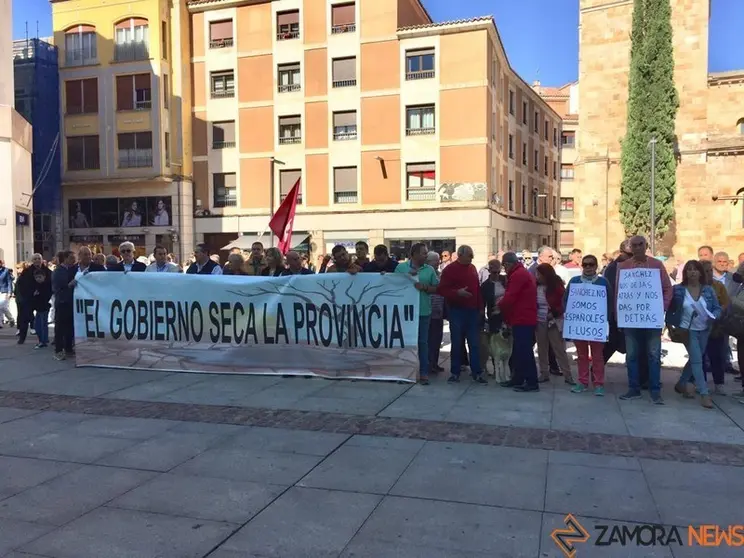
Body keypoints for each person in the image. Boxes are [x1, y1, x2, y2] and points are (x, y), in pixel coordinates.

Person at [616, 236, 673, 403]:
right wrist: (619, 316)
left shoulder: (657, 265)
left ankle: (655, 390)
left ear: (646, 246)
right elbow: (620, 293)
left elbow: (667, 288)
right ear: (630, 248)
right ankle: (633, 388)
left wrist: (661, 308)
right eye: (634, 245)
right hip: (630, 319)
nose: (638, 247)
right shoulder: (623, 267)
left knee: (654, 354)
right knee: (631, 355)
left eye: (641, 244)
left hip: (651, 319)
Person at [667, 260, 722, 409]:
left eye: (695, 269)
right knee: (697, 360)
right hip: (687, 330)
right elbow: (670, 308)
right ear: (685, 273)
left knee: (695, 359)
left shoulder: (708, 290)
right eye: (689, 269)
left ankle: (681, 383)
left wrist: (714, 316)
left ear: (700, 272)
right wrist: (670, 326)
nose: (692, 272)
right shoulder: (678, 289)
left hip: (704, 329)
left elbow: (717, 308)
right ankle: (704, 394)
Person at [438, 245, 487, 384]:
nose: (472, 258)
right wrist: (457, 293)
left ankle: (477, 372)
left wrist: (480, 308)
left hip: (472, 311)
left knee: (474, 343)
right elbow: (442, 290)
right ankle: (455, 372)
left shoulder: (472, 268)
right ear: (460, 255)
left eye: (472, 256)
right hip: (457, 311)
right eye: (469, 256)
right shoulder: (449, 270)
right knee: (457, 342)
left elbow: (477, 289)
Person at [566, 254, 611, 395]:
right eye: (585, 264)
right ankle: (582, 382)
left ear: (596, 266)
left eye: (591, 264)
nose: (588, 267)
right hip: (579, 326)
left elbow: (610, 303)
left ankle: (599, 384)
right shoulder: (574, 281)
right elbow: (566, 300)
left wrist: (606, 321)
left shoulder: (603, 283)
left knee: (597, 356)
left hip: (597, 326)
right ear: (582, 266)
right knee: (581, 355)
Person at [395, 243, 438, 385]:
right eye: (423, 253)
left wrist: (425, 287)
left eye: (426, 253)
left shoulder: (429, 270)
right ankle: (405, 371)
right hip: (404, 312)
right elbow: (391, 284)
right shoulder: (401, 268)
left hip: (423, 311)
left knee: (422, 343)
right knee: (405, 342)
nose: (426, 255)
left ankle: (424, 372)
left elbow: (437, 288)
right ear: (413, 254)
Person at [498, 252, 539, 392]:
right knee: (518, 351)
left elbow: (510, 296)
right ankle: (518, 378)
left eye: (504, 265)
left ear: (508, 264)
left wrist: (499, 307)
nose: (504, 268)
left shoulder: (518, 275)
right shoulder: (520, 273)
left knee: (525, 351)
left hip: (523, 317)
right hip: (521, 316)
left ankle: (532, 382)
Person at [534, 263, 575, 385]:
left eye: (539, 274)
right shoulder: (536, 286)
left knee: (559, 349)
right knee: (542, 348)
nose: (537, 276)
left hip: (553, 321)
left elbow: (564, 303)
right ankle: (544, 373)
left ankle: (568, 375)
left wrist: (554, 313)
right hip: (539, 320)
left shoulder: (557, 286)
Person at [700, 260, 729, 394]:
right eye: (706, 271)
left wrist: (717, 313)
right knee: (700, 356)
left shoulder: (719, 286)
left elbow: (725, 303)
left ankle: (719, 383)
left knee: (717, 356)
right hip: (700, 327)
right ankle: (702, 383)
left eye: (710, 271)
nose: (709, 274)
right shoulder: (695, 287)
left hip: (717, 327)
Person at [480, 258, 507, 374]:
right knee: (495, 342)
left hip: (506, 314)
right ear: (489, 271)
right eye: (493, 272)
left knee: (507, 341)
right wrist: (483, 319)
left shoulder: (505, 280)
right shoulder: (486, 285)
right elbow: (482, 304)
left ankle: (507, 368)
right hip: (493, 316)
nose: (496, 274)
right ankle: (496, 368)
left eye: (498, 272)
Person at [52, 250, 76, 360]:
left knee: (69, 327)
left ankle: (68, 348)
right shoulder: (58, 271)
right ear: (65, 258)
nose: (73, 260)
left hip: (70, 302)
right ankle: (58, 350)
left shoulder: (71, 270)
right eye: (71, 258)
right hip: (62, 302)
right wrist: (69, 285)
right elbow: (58, 288)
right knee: (60, 328)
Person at [425, 251, 445, 374]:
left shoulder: (440, 275)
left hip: (439, 312)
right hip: (428, 311)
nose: (438, 263)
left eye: (438, 260)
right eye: (435, 260)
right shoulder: (425, 274)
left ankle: (435, 363)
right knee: (428, 340)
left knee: (437, 339)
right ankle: (428, 364)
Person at [29, 267, 53, 348]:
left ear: (44, 277)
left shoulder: (46, 285)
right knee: (37, 325)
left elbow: (46, 296)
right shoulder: (36, 285)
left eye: (40, 277)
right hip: (39, 308)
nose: (38, 279)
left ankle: (43, 341)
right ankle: (43, 340)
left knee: (42, 325)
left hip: (44, 307)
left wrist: (37, 294)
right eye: (36, 277)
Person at [0, 259, 15, 328]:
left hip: (4, 290)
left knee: (3, 306)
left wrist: (10, 292)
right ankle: (0, 322)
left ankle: (11, 319)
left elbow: (9, 282)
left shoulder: (6, 271)